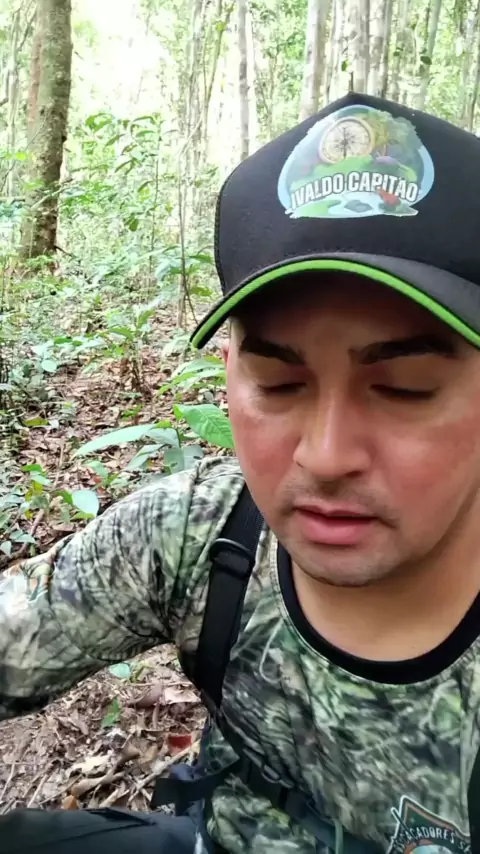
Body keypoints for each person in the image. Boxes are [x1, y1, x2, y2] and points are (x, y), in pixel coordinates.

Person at [1, 91, 480, 854]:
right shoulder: (201, 533)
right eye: (279, 384)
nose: (326, 455)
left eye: (404, 388)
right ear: (229, 374)